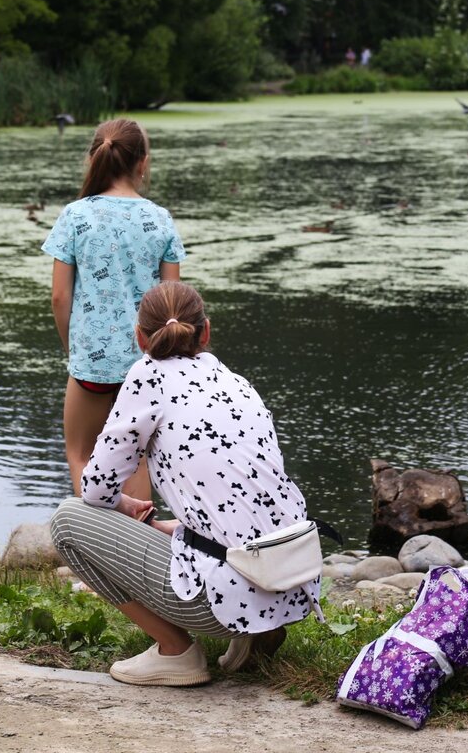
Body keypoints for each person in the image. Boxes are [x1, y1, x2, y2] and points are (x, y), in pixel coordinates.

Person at [49, 281, 321, 687]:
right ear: (206, 332)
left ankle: (175, 652)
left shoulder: (146, 377)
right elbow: (243, 505)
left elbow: (95, 488)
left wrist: (124, 507)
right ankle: (259, 633)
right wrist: (165, 529)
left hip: (222, 596)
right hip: (291, 578)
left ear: (140, 337)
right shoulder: (237, 382)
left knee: (68, 520)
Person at [42, 118, 186, 500]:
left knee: (82, 455)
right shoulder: (160, 218)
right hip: (146, 362)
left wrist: (72, 349)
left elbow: (60, 297)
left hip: (91, 361)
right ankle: (138, 552)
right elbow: (173, 298)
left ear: (95, 159)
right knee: (136, 458)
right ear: (143, 163)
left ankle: (94, 549)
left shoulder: (75, 216)